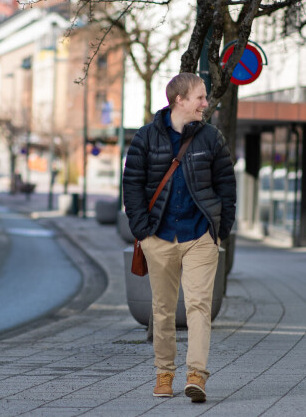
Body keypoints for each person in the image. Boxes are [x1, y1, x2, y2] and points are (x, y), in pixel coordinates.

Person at [122, 72, 237, 403]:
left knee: (200, 306)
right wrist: (143, 231)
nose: (205, 103)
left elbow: (226, 186)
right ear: (179, 100)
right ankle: (164, 373)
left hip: (200, 236)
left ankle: (196, 375)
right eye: (200, 97)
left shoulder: (211, 138)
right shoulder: (145, 138)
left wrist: (220, 228)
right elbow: (131, 186)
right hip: (159, 237)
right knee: (163, 309)